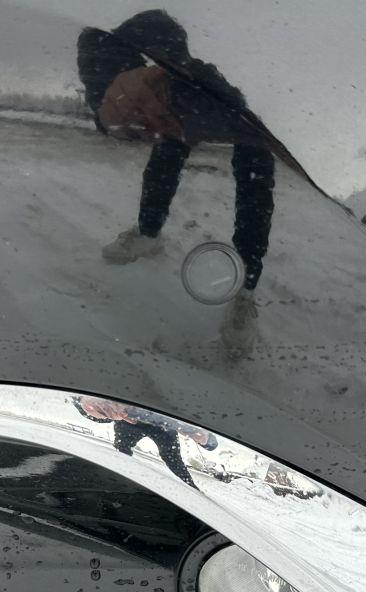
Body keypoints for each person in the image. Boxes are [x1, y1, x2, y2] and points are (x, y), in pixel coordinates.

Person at [77, 10, 277, 351]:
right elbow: (105, 83)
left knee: (254, 171)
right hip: (172, 100)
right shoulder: (117, 79)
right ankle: (148, 233)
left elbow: (250, 135)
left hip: (214, 109)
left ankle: (244, 291)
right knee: (167, 152)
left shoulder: (205, 93)